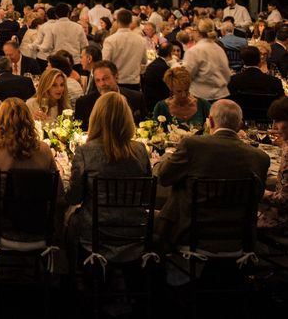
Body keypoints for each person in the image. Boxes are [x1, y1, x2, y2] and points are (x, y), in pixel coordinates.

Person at [154, 100, 269, 247]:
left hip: (189, 232)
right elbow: (257, 196)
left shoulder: (193, 146)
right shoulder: (260, 158)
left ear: (211, 121)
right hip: (239, 235)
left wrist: (161, 160)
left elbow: (164, 178)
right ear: (240, 125)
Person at [66, 92, 151, 258]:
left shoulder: (86, 152)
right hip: (135, 230)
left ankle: (72, 276)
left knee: (67, 220)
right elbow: (146, 196)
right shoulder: (140, 150)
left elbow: (73, 198)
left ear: (96, 117)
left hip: (95, 233)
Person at [0, 99, 56, 232]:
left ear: (1, 121)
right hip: (39, 226)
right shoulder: (45, 150)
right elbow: (58, 193)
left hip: (3, 226)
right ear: (29, 119)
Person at [73, 61, 146, 129]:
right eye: (98, 80)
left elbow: (144, 127)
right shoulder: (84, 103)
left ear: (116, 77)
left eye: (105, 78)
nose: (102, 84)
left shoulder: (136, 98)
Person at [183, 19, 232, 104]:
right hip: (221, 96)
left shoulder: (194, 51)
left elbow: (187, 76)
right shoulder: (219, 49)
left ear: (197, 32)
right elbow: (227, 74)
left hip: (201, 97)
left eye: (193, 30)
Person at [258, 96, 288, 231]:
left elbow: (284, 200)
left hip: (283, 220)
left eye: (278, 121)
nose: (275, 126)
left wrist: (258, 192)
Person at [101, 9, 147, 89]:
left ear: (117, 22)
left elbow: (105, 62)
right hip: (133, 82)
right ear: (130, 22)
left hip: (116, 82)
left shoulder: (110, 40)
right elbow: (144, 61)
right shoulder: (141, 40)